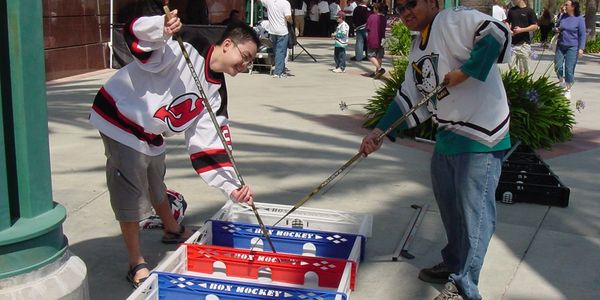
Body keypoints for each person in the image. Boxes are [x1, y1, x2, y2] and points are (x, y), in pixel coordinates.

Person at [88, 10, 259, 288]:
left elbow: (210, 142)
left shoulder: (216, 92)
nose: (246, 65)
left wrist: (232, 186)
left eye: (250, 61)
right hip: (121, 118)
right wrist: (161, 27)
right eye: (246, 56)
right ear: (227, 44)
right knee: (130, 193)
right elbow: (138, 37)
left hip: (152, 132)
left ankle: (171, 228)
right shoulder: (186, 42)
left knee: (156, 181)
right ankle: (136, 263)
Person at [359, 0, 511, 299]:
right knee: (452, 210)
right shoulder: (418, 47)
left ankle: (465, 287)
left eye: (410, 4)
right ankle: (455, 262)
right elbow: (408, 97)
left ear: (432, 2)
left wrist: (466, 72)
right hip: (449, 136)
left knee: (474, 216)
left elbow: (495, 32)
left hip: (481, 134)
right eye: (398, 8)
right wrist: (380, 131)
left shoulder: (454, 19)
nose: (405, 13)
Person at [554, 0, 586, 99]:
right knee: (557, 66)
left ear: (573, 7)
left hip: (573, 47)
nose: (564, 6)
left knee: (569, 69)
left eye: (566, 5)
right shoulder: (562, 16)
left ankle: (568, 89)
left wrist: (581, 48)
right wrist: (556, 29)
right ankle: (561, 82)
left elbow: (582, 34)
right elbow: (556, 27)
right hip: (561, 45)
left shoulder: (579, 19)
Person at [260, 0, 293, 78]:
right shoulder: (285, 3)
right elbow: (288, 17)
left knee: (277, 51)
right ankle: (278, 72)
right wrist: (291, 22)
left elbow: (260, 1)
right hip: (282, 31)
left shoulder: (269, 2)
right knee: (281, 52)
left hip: (272, 31)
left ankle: (282, 70)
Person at [505, 0, 538, 74]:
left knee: (524, 69)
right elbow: (507, 21)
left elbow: (535, 26)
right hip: (513, 44)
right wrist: (509, 30)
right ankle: (514, 81)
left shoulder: (529, 11)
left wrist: (521, 30)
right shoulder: (512, 10)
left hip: (524, 44)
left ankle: (523, 82)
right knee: (511, 65)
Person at [365, 3, 386, 78]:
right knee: (379, 56)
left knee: (370, 55)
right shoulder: (384, 18)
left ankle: (379, 69)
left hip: (373, 38)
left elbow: (368, 28)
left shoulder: (371, 17)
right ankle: (377, 72)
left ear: (376, 9)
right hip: (382, 38)